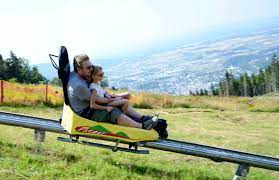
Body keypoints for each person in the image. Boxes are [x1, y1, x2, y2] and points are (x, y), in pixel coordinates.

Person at [67, 53, 158, 130]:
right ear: (79, 69)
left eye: (91, 66)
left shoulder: (79, 75)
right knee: (113, 111)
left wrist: (113, 96)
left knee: (123, 98)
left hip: (90, 104)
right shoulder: (79, 85)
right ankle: (142, 126)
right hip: (86, 113)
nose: (91, 69)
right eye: (88, 68)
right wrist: (114, 99)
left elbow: (99, 92)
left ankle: (142, 118)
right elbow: (97, 101)